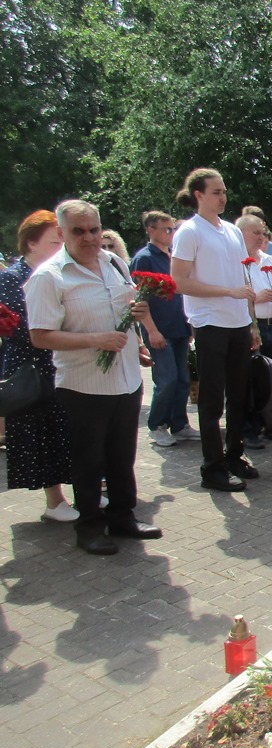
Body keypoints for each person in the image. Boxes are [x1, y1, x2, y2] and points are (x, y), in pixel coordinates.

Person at [25, 200, 162, 555]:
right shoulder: (49, 277)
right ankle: (89, 527)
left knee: (122, 454)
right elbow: (40, 335)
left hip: (126, 378)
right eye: (78, 231)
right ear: (60, 232)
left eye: (94, 230)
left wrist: (137, 334)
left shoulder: (114, 263)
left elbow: (124, 311)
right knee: (89, 460)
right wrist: (94, 340)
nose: (89, 238)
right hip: (83, 384)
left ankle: (122, 516)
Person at [170, 168, 260, 493]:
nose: (223, 197)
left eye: (224, 191)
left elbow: (243, 280)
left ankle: (234, 455)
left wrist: (251, 321)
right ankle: (212, 467)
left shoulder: (233, 231)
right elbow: (179, 281)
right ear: (198, 195)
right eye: (216, 192)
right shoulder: (190, 232)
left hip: (237, 323)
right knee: (211, 400)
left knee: (239, 396)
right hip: (209, 324)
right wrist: (227, 292)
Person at [0, 211, 74, 521]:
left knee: (67, 428)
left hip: (60, 359)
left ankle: (84, 488)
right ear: (31, 243)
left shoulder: (63, 273)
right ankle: (54, 501)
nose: (61, 247)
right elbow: (17, 322)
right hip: (29, 364)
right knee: (39, 431)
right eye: (54, 242)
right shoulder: (10, 278)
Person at [131, 210, 200, 448]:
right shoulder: (145, 258)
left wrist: (188, 324)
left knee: (182, 378)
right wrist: (151, 330)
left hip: (179, 327)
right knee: (167, 378)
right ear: (151, 230)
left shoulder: (172, 256)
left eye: (173, 229)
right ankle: (156, 425)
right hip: (159, 330)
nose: (172, 233)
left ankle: (179, 424)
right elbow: (140, 300)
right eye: (167, 229)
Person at [236, 215, 272, 448]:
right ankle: (249, 429)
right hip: (253, 327)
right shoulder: (237, 262)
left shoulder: (268, 259)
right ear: (241, 235)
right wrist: (256, 299)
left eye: (263, 233)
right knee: (251, 381)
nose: (261, 237)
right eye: (255, 233)